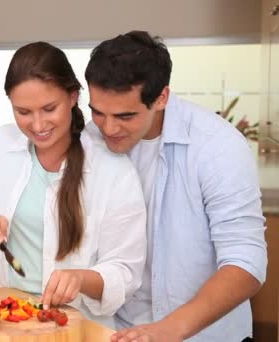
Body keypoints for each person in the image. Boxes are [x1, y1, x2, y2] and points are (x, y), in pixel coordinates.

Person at [84, 31, 267, 341]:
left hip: (203, 335)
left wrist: (168, 330)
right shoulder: (89, 140)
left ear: (162, 98)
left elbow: (246, 263)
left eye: (125, 115)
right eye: (98, 112)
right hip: (116, 332)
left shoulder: (217, 146)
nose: (109, 128)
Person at [0, 41, 147, 328]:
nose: (37, 124)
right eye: (23, 112)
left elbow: (124, 272)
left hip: (79, 326)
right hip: (9, 319)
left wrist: (79, 278)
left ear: (73, 96)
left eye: (49, 108)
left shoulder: (113, 169)